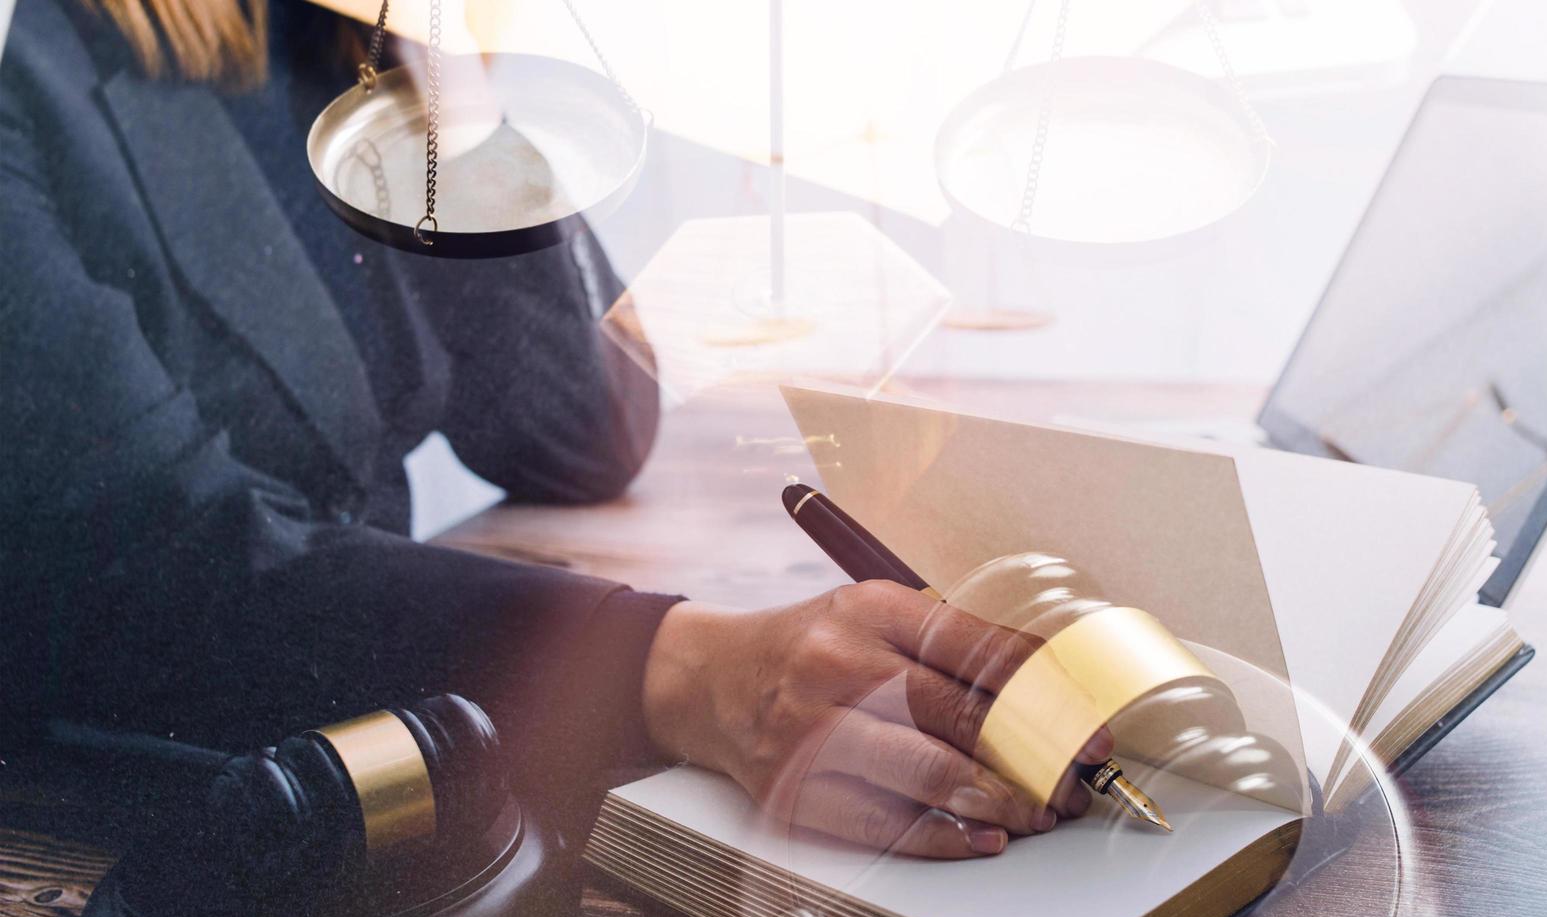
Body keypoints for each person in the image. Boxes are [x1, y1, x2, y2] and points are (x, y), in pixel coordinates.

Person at [0, 0, 1075, 859]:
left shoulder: (339, 45)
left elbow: (580, 427)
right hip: (139, 809)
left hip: (388, 742)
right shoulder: (29, 64)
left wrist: (459, 91)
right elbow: (151, 550)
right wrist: (686, 668)